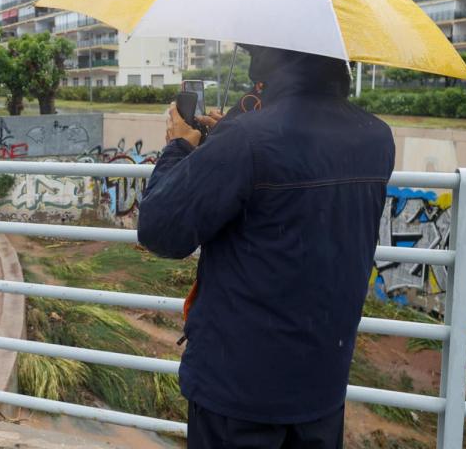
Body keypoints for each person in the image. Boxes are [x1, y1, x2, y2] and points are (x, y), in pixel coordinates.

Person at [137, 46, 395, 449]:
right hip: (322, 385)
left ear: (274, 61)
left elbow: (159, 229)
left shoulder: (247, 140)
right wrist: (227, 139)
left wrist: (179, 148)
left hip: (238, 391)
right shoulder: (377, 137)